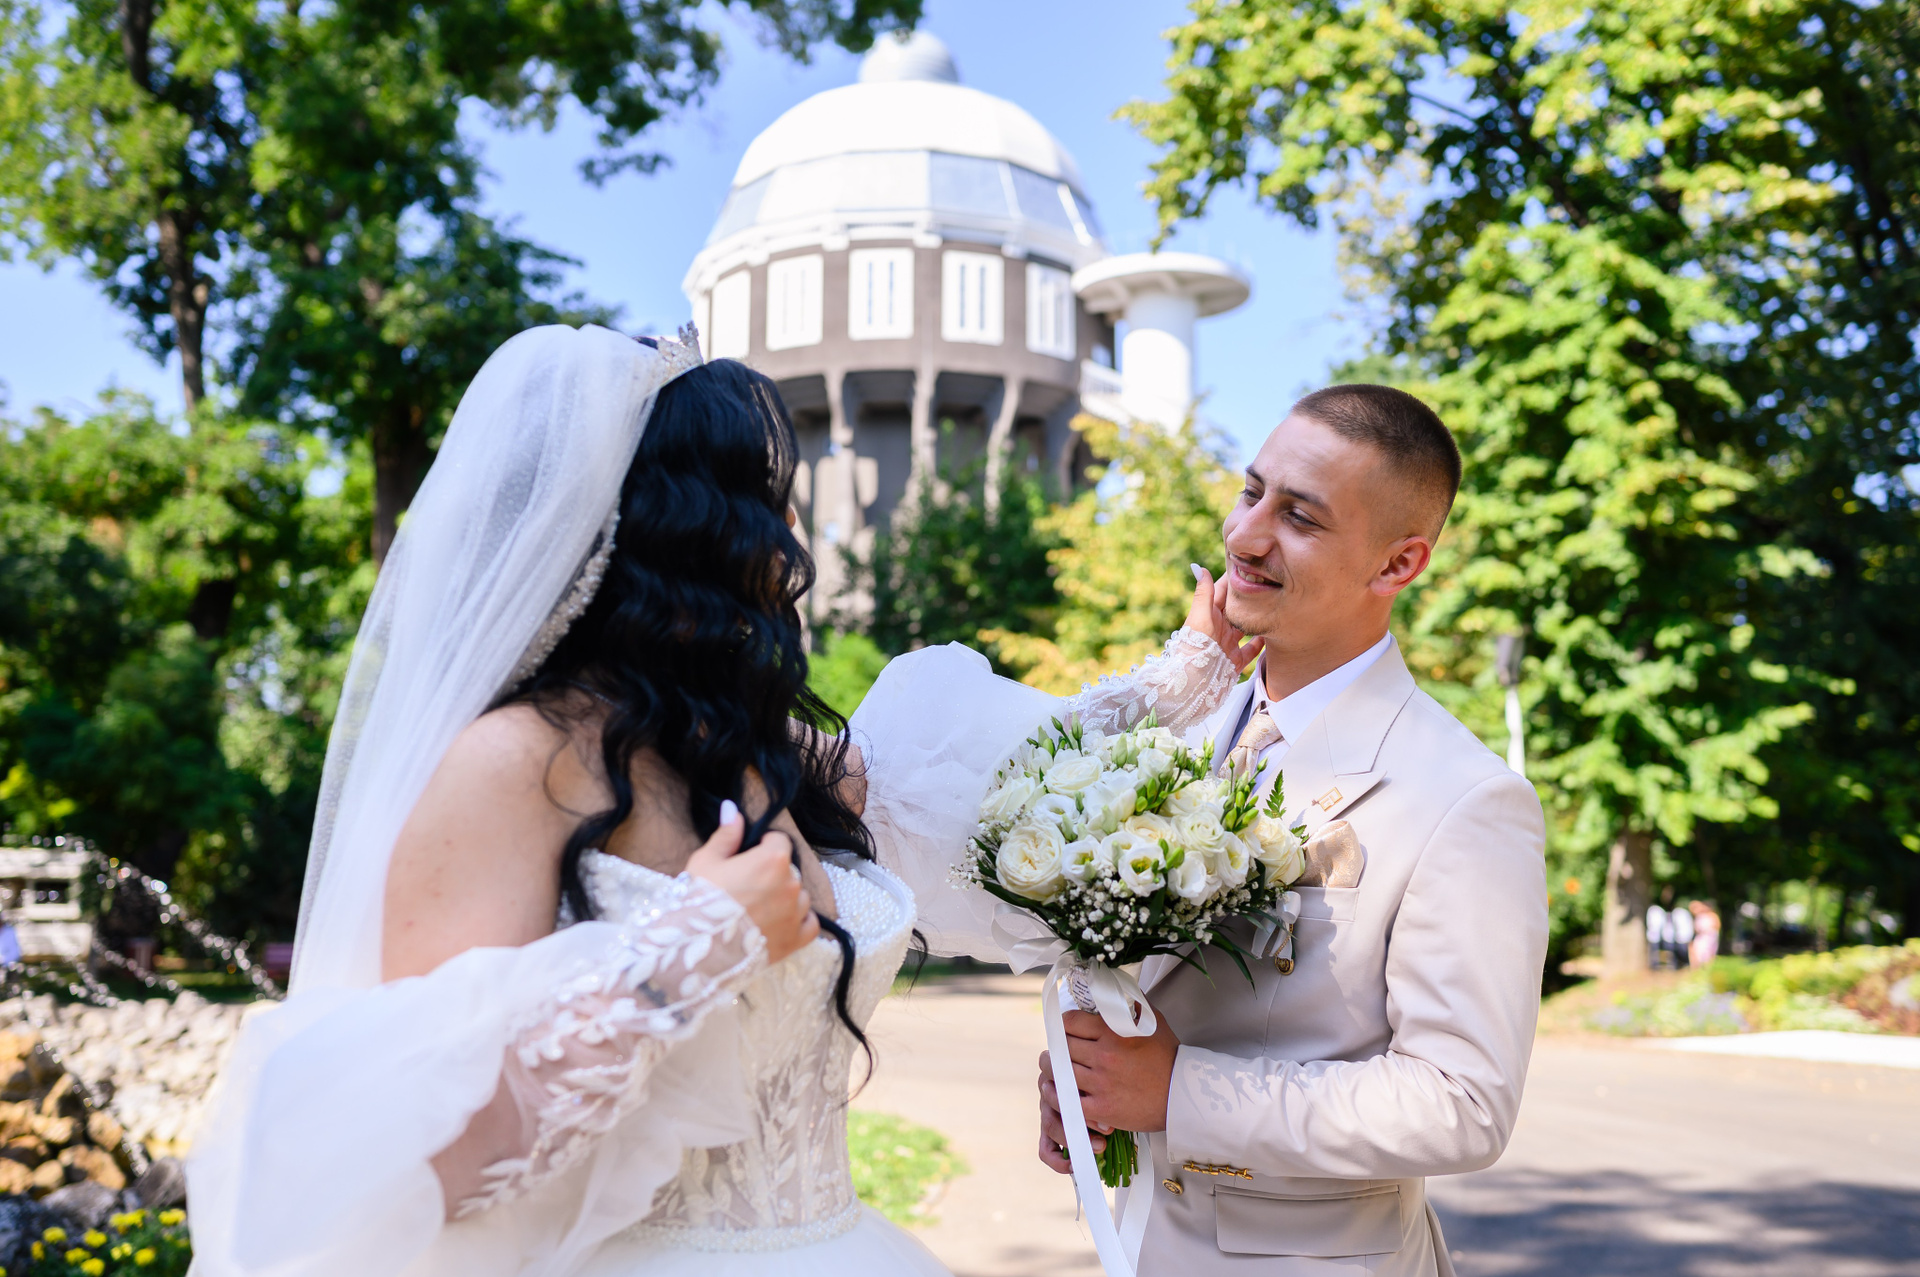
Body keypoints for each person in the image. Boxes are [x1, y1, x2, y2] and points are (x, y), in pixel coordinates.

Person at [187, 326, 949, 1277]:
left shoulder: (758, 746)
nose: (791, 539)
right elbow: (426, 1165)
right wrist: (692, 948)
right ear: (682, 530)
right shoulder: (512, 762)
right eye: (762, 502)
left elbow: (988, 792)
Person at [857, 384, 1548, 1277]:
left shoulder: (1465, 797)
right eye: (1251, 491)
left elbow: (1462, 1103)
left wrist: (1178, 1093)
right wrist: (1093, 1077)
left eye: (1299, 516)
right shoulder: (1180, 733)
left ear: (1398, 564)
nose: (1245, 536)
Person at [1689, 900, 1722, 968]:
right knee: (1699, 952)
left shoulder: (1712, 915)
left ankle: (1708, 967)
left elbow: (1717, 926)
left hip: (1710, 937)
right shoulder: (1700, 916)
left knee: (1708, 952)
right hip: (1702, 937)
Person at [1647, 902, 1670, 969]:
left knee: (1659, 951)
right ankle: (1655, 965)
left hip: (1658, 935)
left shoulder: (1655, 910)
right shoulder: (1655, 910)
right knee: (1655, 951)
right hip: (1654, 935)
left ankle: (1660, 964)